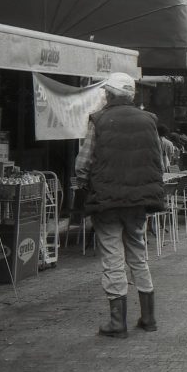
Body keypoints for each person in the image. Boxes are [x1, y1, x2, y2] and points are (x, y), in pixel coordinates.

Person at [74, 72, 163, 339]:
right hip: (138, 202)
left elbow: (83, 163)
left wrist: (84, 183)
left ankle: (117, 323)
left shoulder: (99, 119)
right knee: (138, 254)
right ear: (131, 95)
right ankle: (148, 318)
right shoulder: (150, 120)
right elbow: (157, 160)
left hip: (107, 200)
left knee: (112, 257)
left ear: (108, 94)